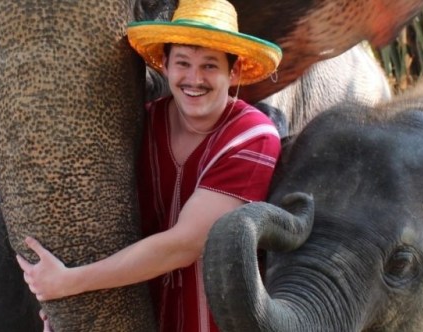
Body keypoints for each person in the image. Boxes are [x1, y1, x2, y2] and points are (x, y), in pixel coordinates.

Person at [16, 0, 283, 330]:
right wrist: (71, 309)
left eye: (210, 66)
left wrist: (71, 283)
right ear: (165, 66)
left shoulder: (253, 136)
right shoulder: (142, 123)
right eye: (182, 62)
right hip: (140, 314)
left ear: (235, 71)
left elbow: (186, 244)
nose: (194, 78)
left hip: (219, 320)